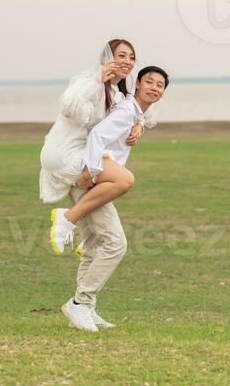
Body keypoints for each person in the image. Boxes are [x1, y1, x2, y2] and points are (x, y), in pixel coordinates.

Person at [56, 65, 169, 333]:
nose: (154, 87)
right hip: (91, 179)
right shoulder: (127, 111)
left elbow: (139, 117)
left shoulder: (134, 112)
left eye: (160, 85)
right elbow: (97, 135)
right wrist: (92, 172)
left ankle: (86, 307)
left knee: (94, 244)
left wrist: (140, 124)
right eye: (149, 82)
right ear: (137, 84)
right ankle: (79, 303)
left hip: (94, 178)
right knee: (115, 244)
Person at [39, 39, 157, 209]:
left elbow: (130, 111)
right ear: (107, 58)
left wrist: (139, 123)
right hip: (64, 154)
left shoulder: (116, 93)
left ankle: (64, 226)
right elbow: (68, 105)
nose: (128, 61)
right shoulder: (88, 81)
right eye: (121, 56)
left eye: (131, 58)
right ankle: (66, 220)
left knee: (100, 224)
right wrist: (96, 81)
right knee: (122, 180)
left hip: (83, 157)